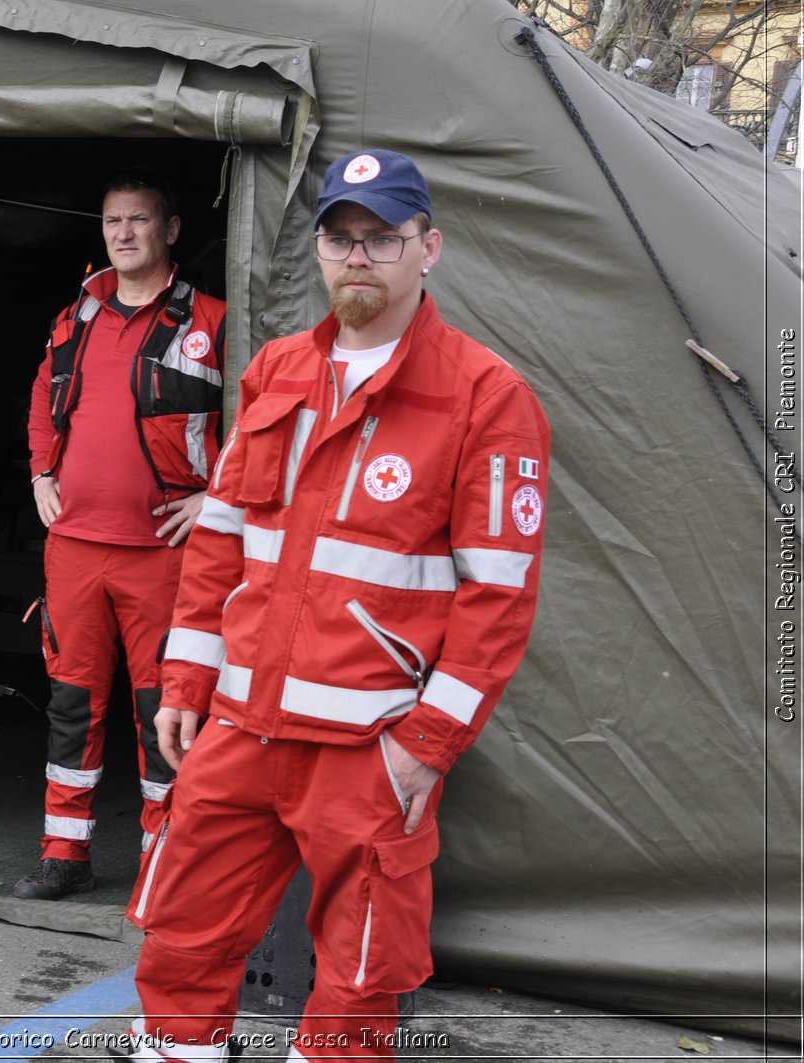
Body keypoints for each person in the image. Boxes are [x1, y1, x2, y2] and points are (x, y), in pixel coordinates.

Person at [115, 149, 551, 1061]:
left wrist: (425, 745)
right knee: (183, 932)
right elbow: (223, 539)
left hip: (367, 749)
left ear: (427, 249)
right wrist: (188, 678)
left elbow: (498, 598)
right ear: (318, 249)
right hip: (241, 725)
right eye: (341, 237)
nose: (359, 256)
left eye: (383, 238)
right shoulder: (276, 370)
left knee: (357, 978)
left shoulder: (487, 396)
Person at [14, 168, 227, 901]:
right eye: (113, 222)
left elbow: (260, 427)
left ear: (171, 230)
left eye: (139, 220)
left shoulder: (214, 322)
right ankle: (62, 851)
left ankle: (163, 862)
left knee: (160, 711)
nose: (125, 234)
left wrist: (217, 499)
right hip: (73, 547)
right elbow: (44, 403)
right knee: (72, 703)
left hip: (165, 556)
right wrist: (41, 473)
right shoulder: (76, 315)